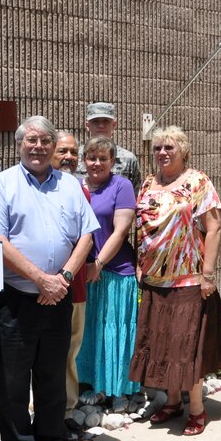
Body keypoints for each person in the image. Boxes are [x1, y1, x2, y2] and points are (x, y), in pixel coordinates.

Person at [0, 117, 99, 441]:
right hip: (17, 298)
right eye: (31, 140)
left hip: (58, 297)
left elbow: (87, 237)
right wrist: (39, 279)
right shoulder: (1, 184)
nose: (38, 147)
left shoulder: (70, 186)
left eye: (45, 140)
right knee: (13, 382)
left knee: (51, 376)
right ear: (19, 144)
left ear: (52, 146)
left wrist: (61, 279)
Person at [129, 126, 221, 436]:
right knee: (162, 344)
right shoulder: (148, 183)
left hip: (188, 280)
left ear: (184, 151)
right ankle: (172, 402)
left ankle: (198, 409)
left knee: (186, 346)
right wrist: (140, 262)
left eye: (169, 148)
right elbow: (141, 227)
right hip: (154, 279)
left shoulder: (197, 182)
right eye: (158, 148)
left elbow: (213, 228)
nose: (162, 152)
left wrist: (208, 275)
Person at [77, 137, 140, 410]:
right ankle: (91, 384)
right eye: (92, 158)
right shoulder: (76, 187)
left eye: (104, 158)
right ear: (84, 161)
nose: (97, 163)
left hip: (114, 270)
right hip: (83, 271)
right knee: (89, 330)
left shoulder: (122, 186)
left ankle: (118, 390)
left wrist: (99, 263)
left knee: (113, 329)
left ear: (113, 161)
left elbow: (121, 230)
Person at [51, 132, 90, 426]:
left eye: (74, 152)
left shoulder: (81, 190)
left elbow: (86, 238)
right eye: (62, 150)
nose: (69, 157)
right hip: (35, 287)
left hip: (72, 286)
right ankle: (43, 404)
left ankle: (65, 409)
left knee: (69, 348)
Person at [75, 102, 141, 194]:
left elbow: (134, 195)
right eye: (96, 121)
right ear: (88, 125)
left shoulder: (129, 159)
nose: (101, 126)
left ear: (114, 125)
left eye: (106, 121)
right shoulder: (75, 156)